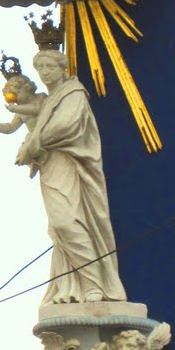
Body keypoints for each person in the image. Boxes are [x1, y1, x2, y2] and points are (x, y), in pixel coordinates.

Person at [15, 49, 127, 305]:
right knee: (58, 227)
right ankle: (71, 287)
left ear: (62, 68)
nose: (44, 72)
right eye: (40, 67)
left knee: (68, 222)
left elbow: (65, 126)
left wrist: (29, 146)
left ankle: (94, 284)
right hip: (51, 164)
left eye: (49, 67)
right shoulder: (49, 98)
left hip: (70, 163)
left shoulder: (73, 94)